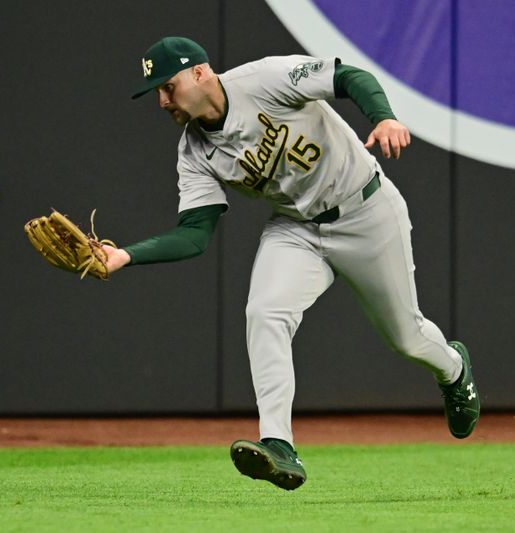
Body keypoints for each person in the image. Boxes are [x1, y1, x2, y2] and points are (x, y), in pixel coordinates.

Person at [103, 36, 480, 491]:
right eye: (156, 93)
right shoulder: (194, 151)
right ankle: (279, 445)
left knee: (406, 337)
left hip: (366, 210)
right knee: (265, 312)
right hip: (298, 228)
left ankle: (454, 370)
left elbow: (347, 76)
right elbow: (194, 234)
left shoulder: (263, 79)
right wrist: (126, 255)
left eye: (168, 86)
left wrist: (383, 117)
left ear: (200, 73)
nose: (162, 100)